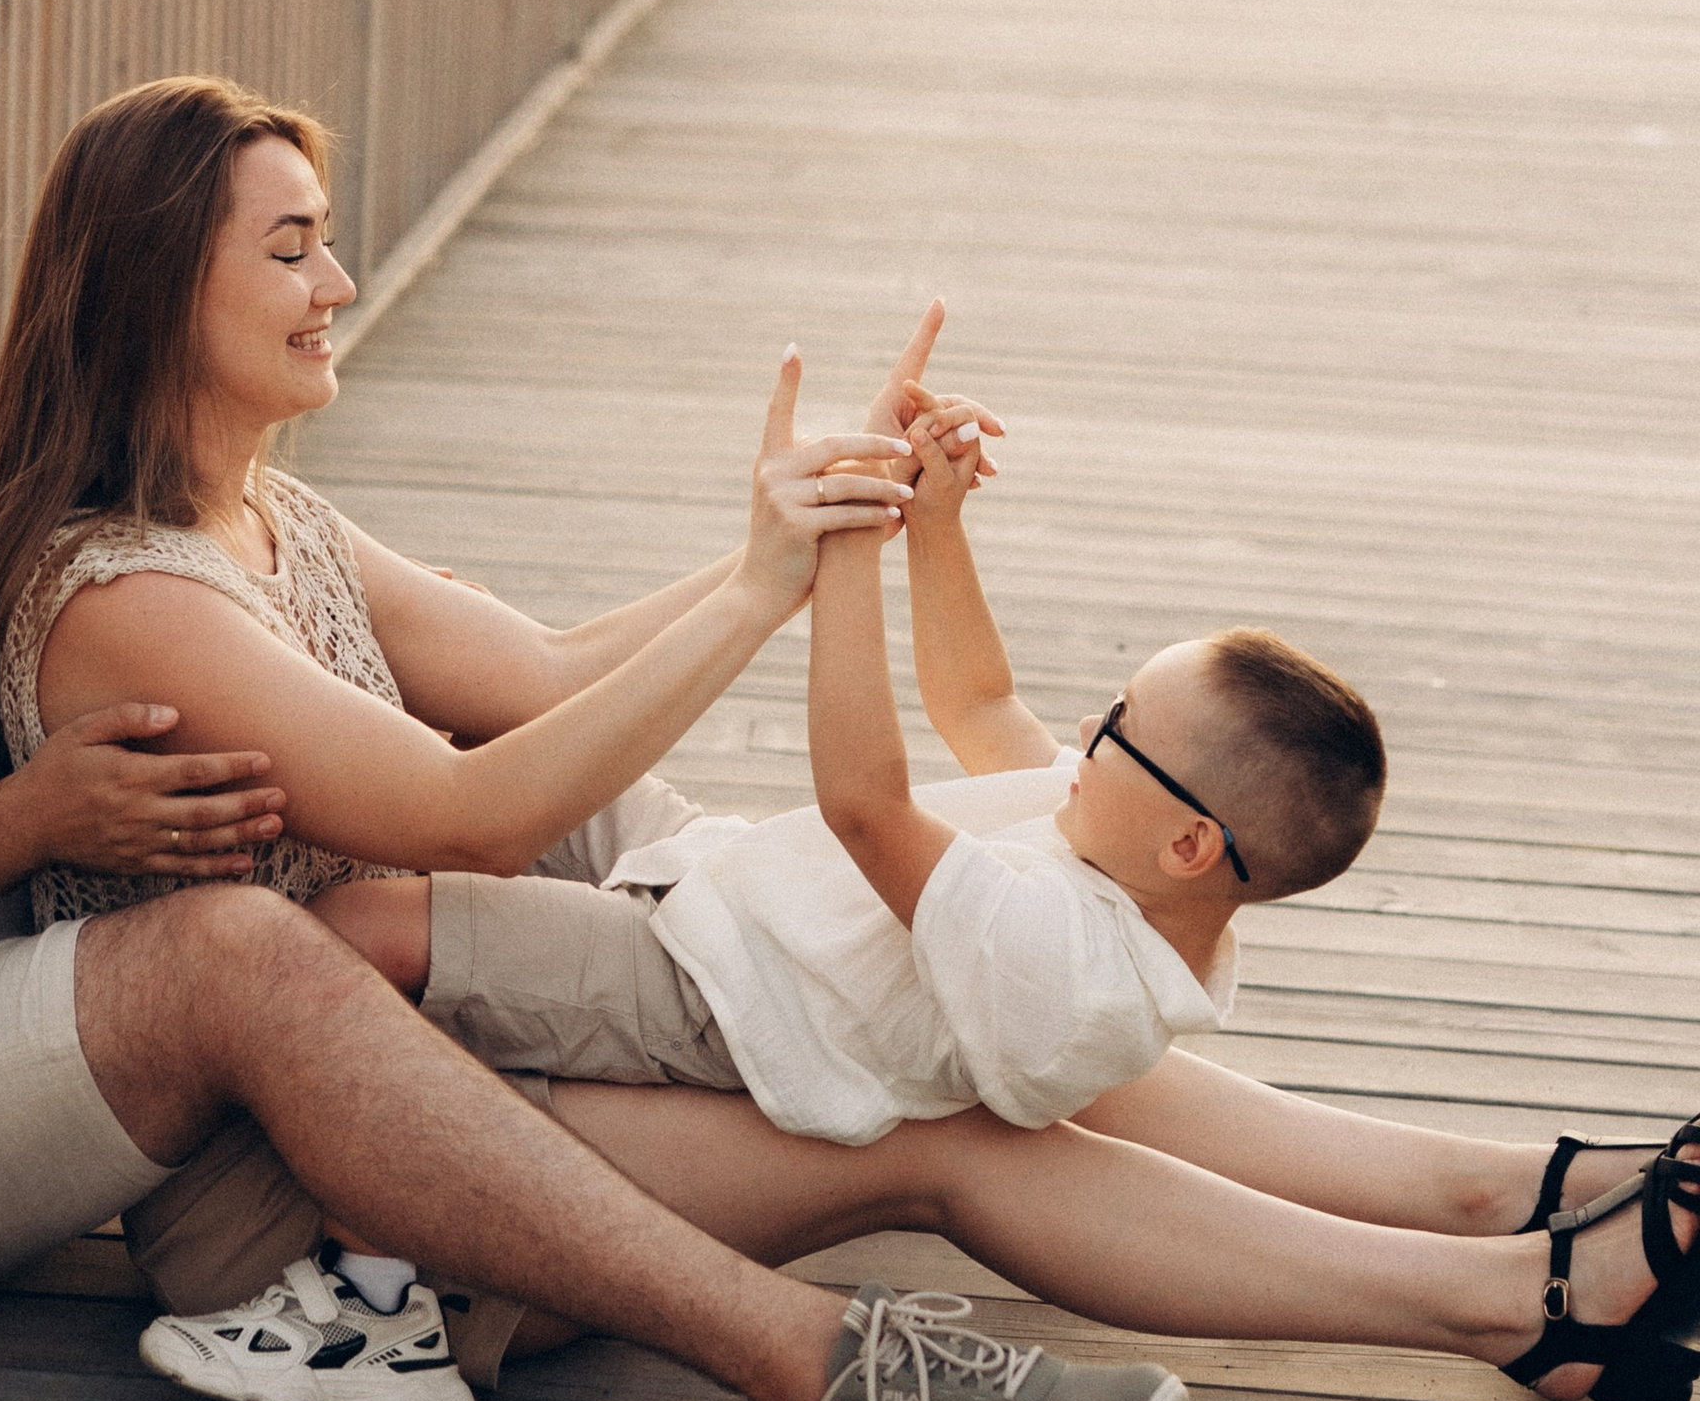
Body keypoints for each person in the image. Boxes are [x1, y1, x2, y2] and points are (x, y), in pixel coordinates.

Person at [0, 20, 1191, 1401]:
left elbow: (526, 689)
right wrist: (27, 824)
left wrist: (789, 549)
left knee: (554, 846)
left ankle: (962, 1059)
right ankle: (812, 1375)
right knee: (244, 946)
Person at [0, 79, 1700, 1401]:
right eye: (289, 248)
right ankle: (1518, 1302)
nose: (336, 280)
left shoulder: (274, 516)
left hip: (443, 1046)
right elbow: (474, 802)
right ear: (158, 277)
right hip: (324, 1197)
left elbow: (548, 669)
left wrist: (821, 518)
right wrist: (793, 577)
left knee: (948, 982)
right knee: (942, 1119)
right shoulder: (124, 597)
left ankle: (1515, 1199)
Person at [318, 375, 1386, 1156]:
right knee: (491, 731)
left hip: (708, 988)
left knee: (363, 932)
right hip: (713, 878)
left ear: (1191, 840)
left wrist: (847, 561)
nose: (1085, 729)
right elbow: (978, 700)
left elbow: (863, 804)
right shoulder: (1127, 848)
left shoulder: (1061, 968)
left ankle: (362, 1268)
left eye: (1116, 724)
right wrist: (932, 520)